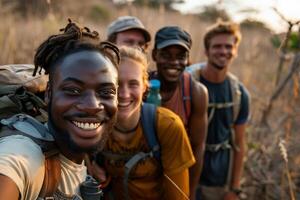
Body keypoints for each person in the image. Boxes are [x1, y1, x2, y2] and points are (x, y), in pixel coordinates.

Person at [0, 20, 120, 199]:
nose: (92, 105)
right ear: (49, 93)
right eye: (73, 90)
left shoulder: (75, 156)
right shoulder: (22, 155)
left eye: (106, 91)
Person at [93, 46, 195, 200]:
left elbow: (179, 196)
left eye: (133, 84)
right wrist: (90, 167)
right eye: (116, 83)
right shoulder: (93, 126)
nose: (124, 94)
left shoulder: (167, 126)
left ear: (145, 87)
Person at [187, 21, 250, 200]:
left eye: (228, 46)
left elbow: (239, 143)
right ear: (207, 51)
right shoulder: (189, 84)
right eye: (217, 46)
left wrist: (234, 188)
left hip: (218, 183)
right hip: (188, 176)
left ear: (235, 51)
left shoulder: (239, 93)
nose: (223, 51)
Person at [151, 26, 209, 200]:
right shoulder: (141, 87)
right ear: (154, 55)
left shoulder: (196, 92)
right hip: (143, 176)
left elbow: (197, 148)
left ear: (188, 59)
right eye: (166, 55)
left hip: (177, 175)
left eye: (181, 56)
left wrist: (189, 193)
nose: (174, 62)